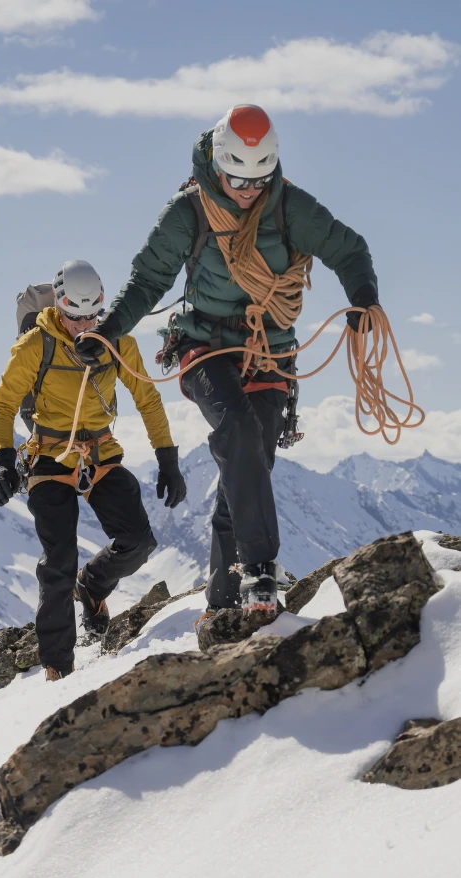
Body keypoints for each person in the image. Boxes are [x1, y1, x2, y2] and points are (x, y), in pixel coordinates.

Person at [74, 104, 379, 620]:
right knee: (237, 430)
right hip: (204, 348)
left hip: (270, 352)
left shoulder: (288, 207)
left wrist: (364, 297)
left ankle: (221, 604)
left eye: (258, 179)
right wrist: (107, 332)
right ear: (217, 162)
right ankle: (260, 570)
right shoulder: (188, 212)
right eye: (236, 177)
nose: (245, 189)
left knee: (250, 464)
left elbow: (349, 250)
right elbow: (148, 281)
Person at [0, 259, 186, 681]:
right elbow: (2, 404)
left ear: (101, 305)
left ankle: (93, 585)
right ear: (59, 307)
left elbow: (147, 400)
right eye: (75, 317)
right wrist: (5, 463)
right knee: (58, 559)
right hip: (47, 457)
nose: (84, 325)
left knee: (137, 540)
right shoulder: (36, 345)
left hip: (98, 452)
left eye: (91, 315)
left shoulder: (118, 342)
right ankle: (59, 667)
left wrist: (167, 460)